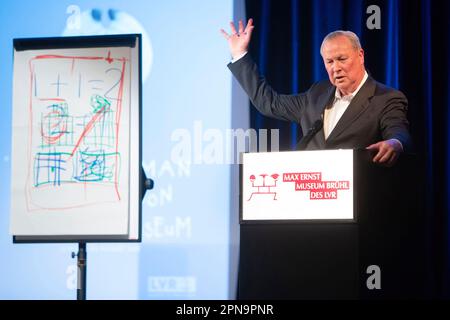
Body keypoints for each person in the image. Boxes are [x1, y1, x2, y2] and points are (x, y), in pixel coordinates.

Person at [221, 19, 411, 167]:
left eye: (342, 59)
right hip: (313, 205)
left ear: (360, 56)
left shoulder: (386, 98)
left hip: (358, 204)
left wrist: (394, 143)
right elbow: (269, 103)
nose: (336, 68)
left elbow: (398, 132)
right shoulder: (316, 95)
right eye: (329, 62)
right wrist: (240, 55)